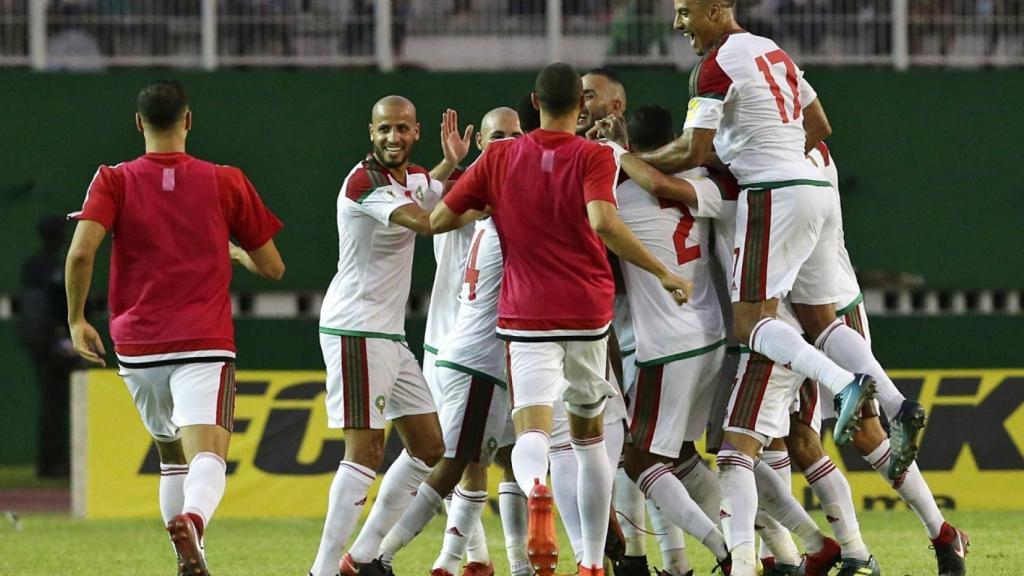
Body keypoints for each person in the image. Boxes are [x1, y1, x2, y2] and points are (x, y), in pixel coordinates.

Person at [430, 63, 692, 576]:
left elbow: (441, 219)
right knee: (589, 440)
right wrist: (662, 271)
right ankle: (592, 562)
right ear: (579, 102)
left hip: (525, 315)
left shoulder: (500, 155)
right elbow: (603, 221)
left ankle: (537, 488)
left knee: (531, 430)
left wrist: (480, 203)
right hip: (587, 315)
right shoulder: (594, 155)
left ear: (534, 101)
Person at [65, 80, 285, 576]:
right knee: (208, 456)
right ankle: (194, 520)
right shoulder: (224, 180)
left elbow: (81, 252)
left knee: (171, 459)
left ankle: (190, 562)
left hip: (138, 347)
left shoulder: (112, 179)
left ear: (139, 123)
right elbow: (273, 268)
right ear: (188, 121)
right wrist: (236, 254)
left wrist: (78, 320)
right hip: (202, 342)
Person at [311, 98, 472, 576]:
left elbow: (427, 190)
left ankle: (360, 558)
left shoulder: (414, 177)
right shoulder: (367, 183)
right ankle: (322, 571)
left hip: (388, 335)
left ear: (416, 131)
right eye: (384, 129)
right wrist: (485, 201)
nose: (392, 138)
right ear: (371, 131)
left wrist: (453, 163)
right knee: (364, 452)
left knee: (429, 447)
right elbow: (426, 222)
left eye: (402, 129)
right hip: (356, 329)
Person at [369, 107, 524, 576]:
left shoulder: (504, 192)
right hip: (459, 345)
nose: (506, 143)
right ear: (481, 144)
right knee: (455, 460)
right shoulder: (470, 193)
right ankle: (393, 555)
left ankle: (478, 559)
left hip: (494, 346)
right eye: (497, 136)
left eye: (516, 136)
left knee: (503, 457)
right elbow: (427, 207)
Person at [614, 105, 734, 575]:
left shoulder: (619, 193)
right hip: (710, 336)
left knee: (638, 459)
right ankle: (764, 546)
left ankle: (725, 550)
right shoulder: (705, 183)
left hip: (666, 343)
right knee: (682, 456)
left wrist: (614, 154)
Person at [19, 216, 77, 478]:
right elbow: (55, 307)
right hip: (55, 346)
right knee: (58, 405)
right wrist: (64, 339)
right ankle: (55, 463)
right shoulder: (57, 266)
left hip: (42, 345)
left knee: (52, 405)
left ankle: (51, 462)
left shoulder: (32, 266)